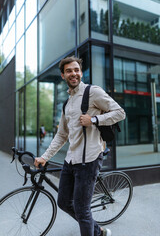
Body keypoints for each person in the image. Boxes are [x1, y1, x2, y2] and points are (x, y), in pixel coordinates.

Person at [34, 56, 126, 236]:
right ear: (63, 75)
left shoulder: (93, 92)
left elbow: (120, 112)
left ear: (81, 72)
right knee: (63, 202)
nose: (73, 73)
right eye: (69, 71)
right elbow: (61, 135)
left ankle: (94, 231)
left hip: (90, 159)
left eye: (76, 70)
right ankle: (98, 232)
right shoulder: (67, 103)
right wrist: (45, 157)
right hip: (71, 159)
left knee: (83, 211)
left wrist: (94, 119)